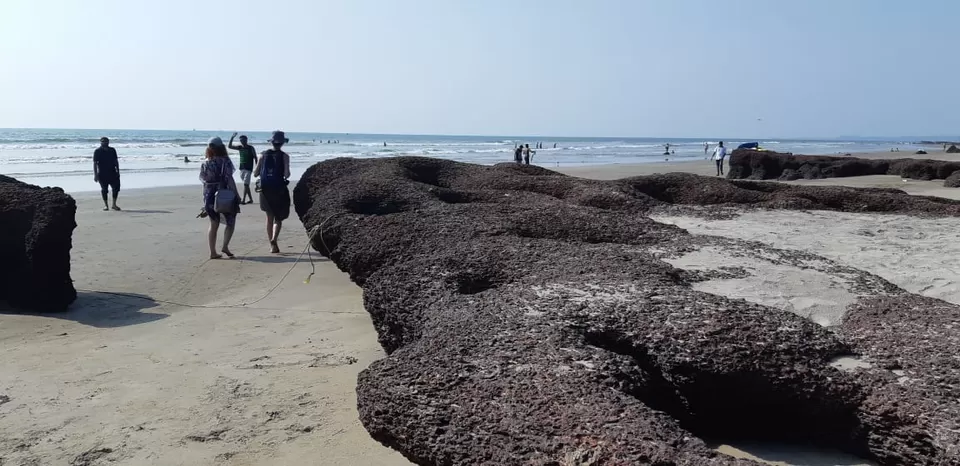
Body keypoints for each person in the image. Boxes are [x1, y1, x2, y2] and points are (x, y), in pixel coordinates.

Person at [199, 137, 239, 259]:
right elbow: (229, 179)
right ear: (221, 147)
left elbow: (203, 180)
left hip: (209, 195)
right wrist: (236, 194)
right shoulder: (225, 161)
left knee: (213, 224)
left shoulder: (205, 162)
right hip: (224, 194)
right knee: (230, 221)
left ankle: (212, 252)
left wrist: (205, 201)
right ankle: (225, 246)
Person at [255, 130, 292, 254]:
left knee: (269, 217)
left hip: (265, 190)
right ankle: (274, 239)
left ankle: (272, 246)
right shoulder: (285, 156)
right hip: (279, 189)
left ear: (272, 142)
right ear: (282, 143)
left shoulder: (262, 155)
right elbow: (286, 174)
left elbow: (256, 173)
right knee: (278, 218)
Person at [228, 132, 258, 205]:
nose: (242, 141)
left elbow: (255, 157)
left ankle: (244, 200)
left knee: (246, 184)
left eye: (243, 140)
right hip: (241, 168)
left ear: (246, 140)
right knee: (246, 185)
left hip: (248, 168)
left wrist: (257, 168)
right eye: (241, 140)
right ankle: (251, 199)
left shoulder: (251, 148)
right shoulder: (240, 147)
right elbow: (229, 146)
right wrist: (232, 137)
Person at [93, 137, 122, 211]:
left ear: (108, 142)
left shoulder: (112, 150)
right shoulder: (97, 151)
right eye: (103, 141)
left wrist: (118, 171)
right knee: (104, 190)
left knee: (116, 188)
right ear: (100, 142)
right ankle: (106, 205)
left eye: (106, 141)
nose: (105, 142)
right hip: (102, 174)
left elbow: (116, 161)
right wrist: (95, 175)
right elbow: (95, 163)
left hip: (113, 172)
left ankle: (114, 204)